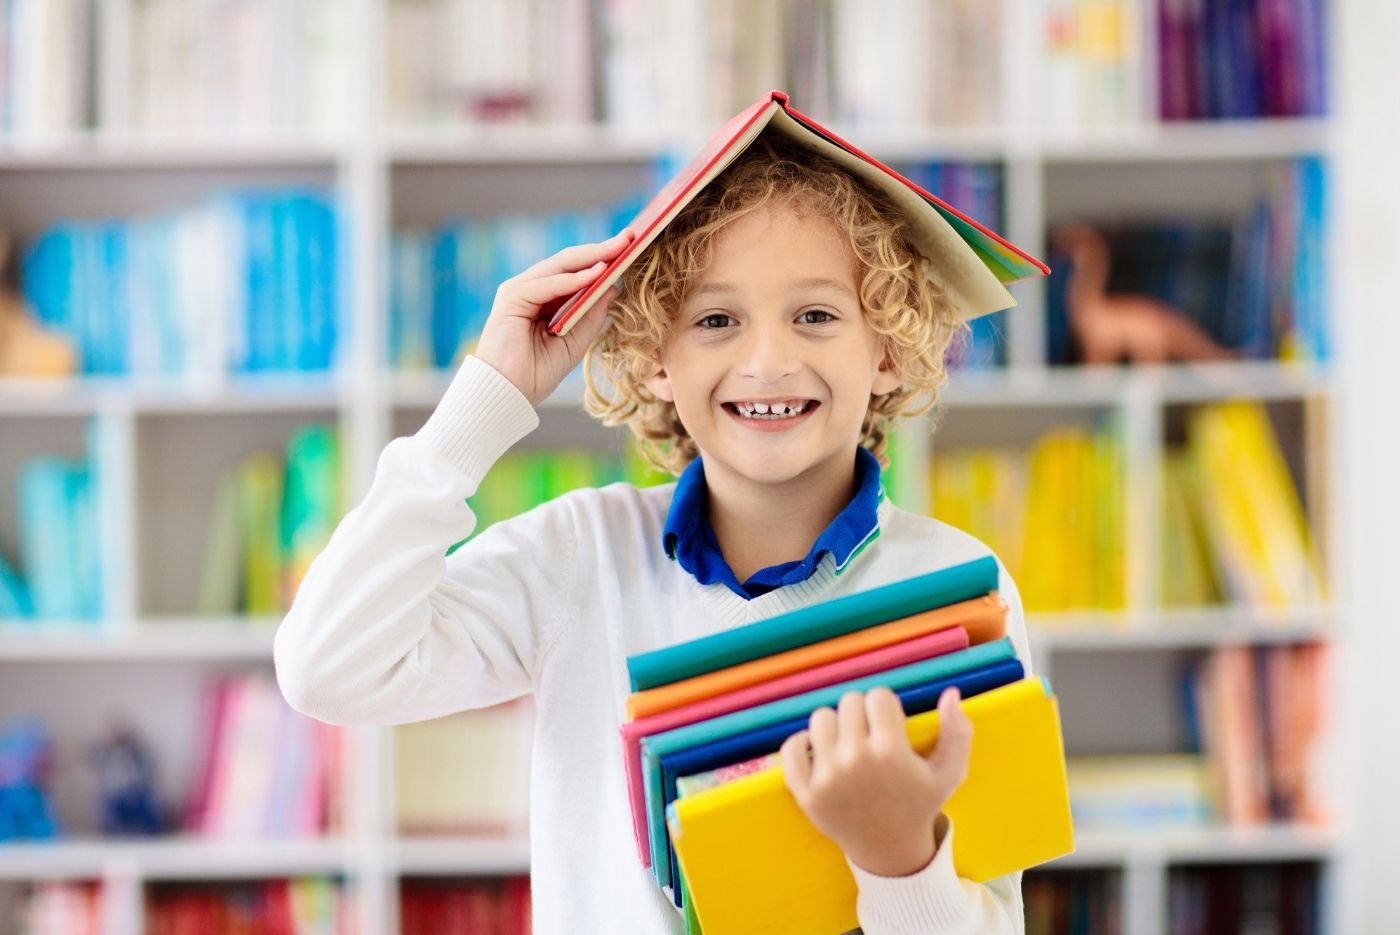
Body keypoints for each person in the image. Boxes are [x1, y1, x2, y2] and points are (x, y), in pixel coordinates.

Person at [274, 132, 1034, 934]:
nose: (766, 359)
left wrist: (900, 858)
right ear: (654, 361)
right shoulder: (576, 555)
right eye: (715, 319)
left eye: (816, 314)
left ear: (885, 350)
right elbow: (327, 666)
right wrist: (487, 402)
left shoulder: (961, 584)